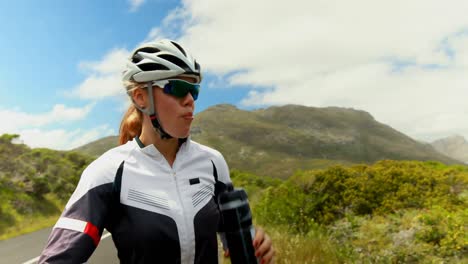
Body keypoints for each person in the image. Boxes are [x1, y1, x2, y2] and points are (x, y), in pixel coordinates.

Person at [39, 39, 274, 263]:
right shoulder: (108, 172)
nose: (190, 100)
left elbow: (235, 238)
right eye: (179, 88)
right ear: (141, 97)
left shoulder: (213, 163)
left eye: (195, 90)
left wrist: (257, 243)